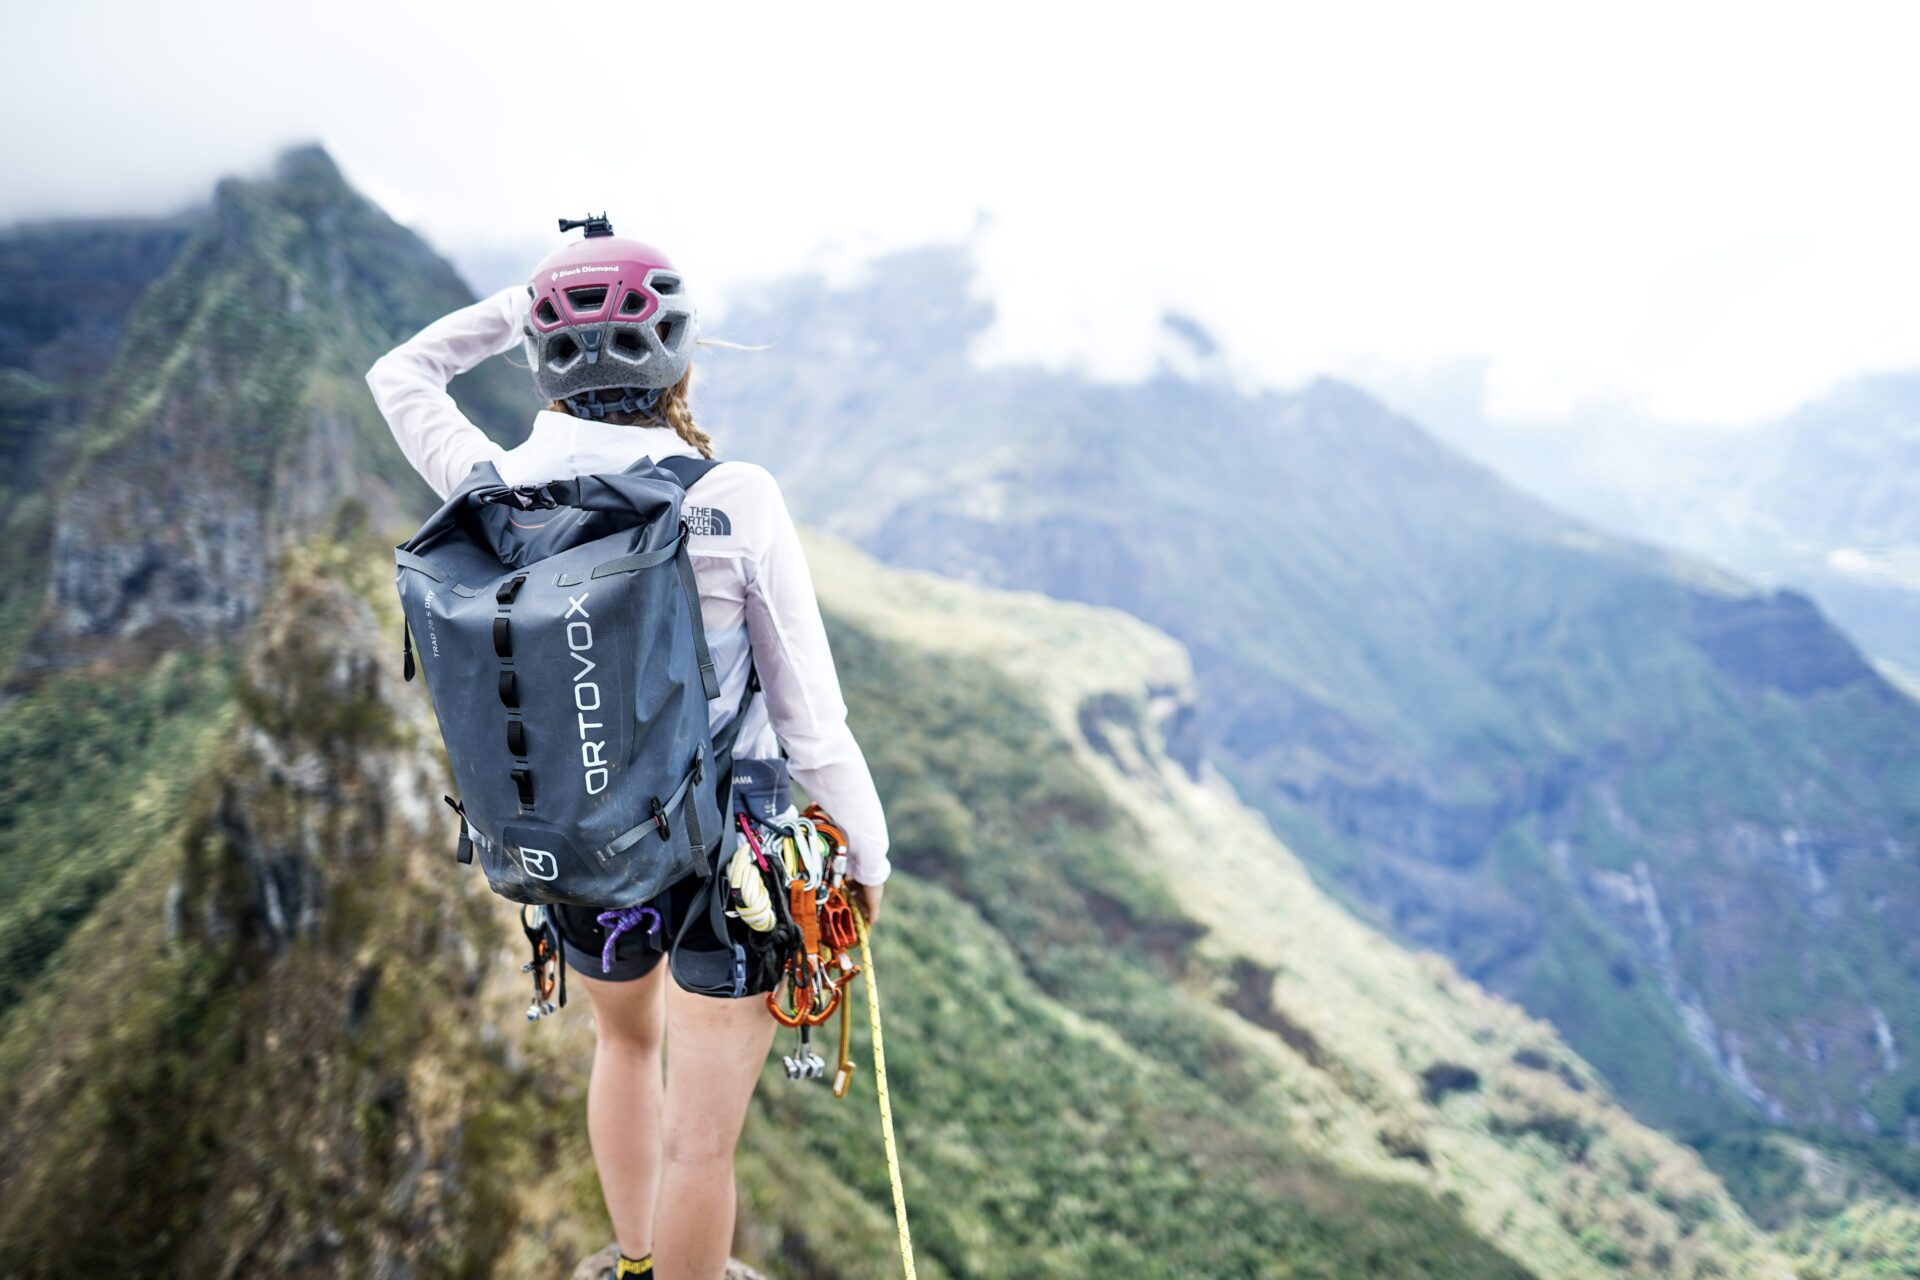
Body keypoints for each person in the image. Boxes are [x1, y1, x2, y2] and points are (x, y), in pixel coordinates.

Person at [367, 225, 890, 1280]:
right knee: (700, 1139)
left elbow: (401, 372)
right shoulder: (729, 499)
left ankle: (639, 1263)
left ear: (543, 363)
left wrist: (533, 301)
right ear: (678, 355)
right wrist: (865, 865)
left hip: (576, 835)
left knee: (623, 1043)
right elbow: (811, 721)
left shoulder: (489, 485)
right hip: (724, 857)